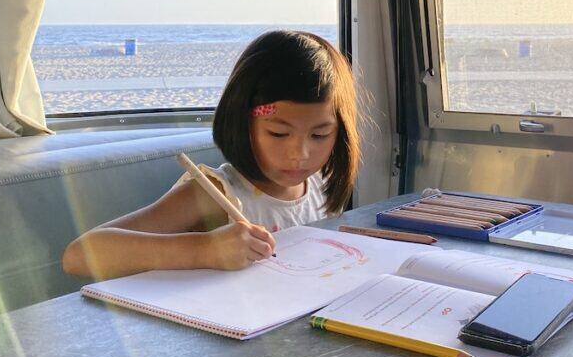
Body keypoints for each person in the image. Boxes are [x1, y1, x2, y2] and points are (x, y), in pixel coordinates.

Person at [62, 30, 360, 280]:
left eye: (320, 135)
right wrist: (204, 249)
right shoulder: (215, 193)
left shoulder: (319, 184)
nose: (300, 154)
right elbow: (79, 255)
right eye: (278, 134)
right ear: (242, 123)